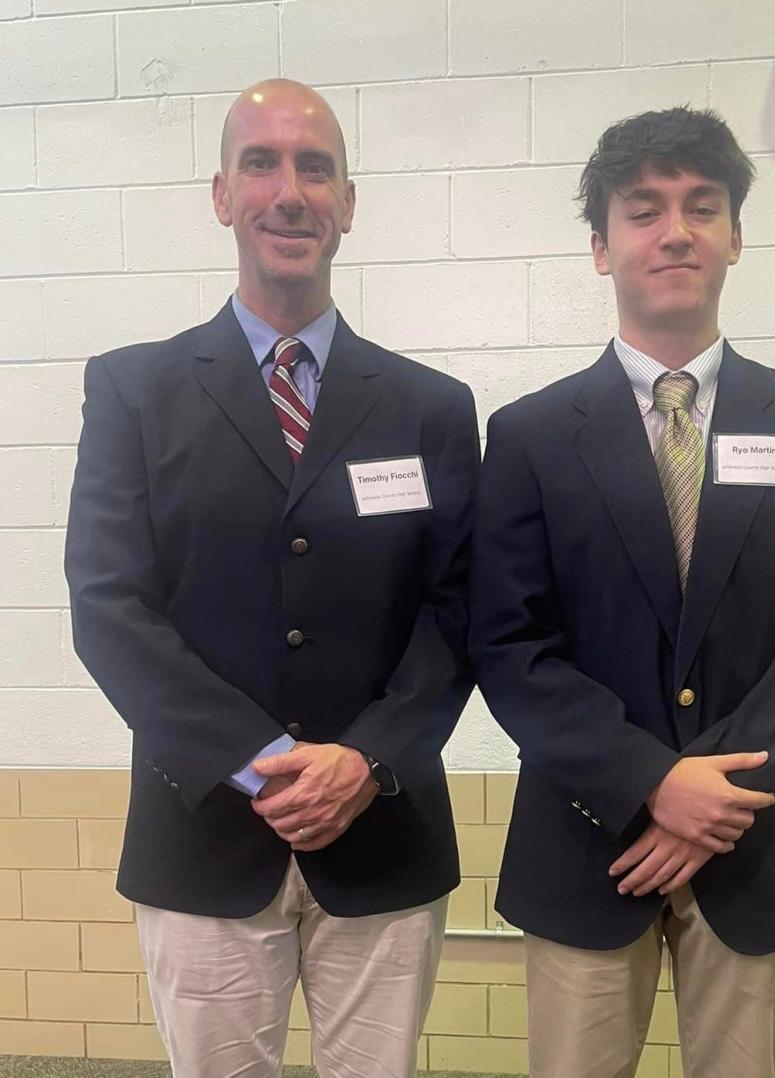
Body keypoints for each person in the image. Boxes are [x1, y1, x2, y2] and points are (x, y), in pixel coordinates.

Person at [65, 78, 479, 1078]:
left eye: (315, 166)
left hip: (382, 826)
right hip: (204, 826)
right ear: (221, 194)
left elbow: (461, 608)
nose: (289, 191)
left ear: (347, 201)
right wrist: (258, 759)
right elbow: (110, 605)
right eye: (262, 162)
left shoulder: (429, 407)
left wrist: (365, 759)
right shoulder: (134, 390)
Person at [468, 107, 775, 1078]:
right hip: (585, 843)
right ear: (602, 247)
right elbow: (508, 644)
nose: (676, 230)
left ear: (736, 234)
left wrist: (719, 794)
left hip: (761, 840)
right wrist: (653, 782)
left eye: (703, 206)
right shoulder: (530, 438)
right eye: (644, 210)